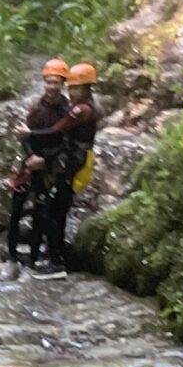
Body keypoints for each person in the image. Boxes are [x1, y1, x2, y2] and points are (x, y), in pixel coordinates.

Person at [6, 60, 71, 274]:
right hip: (29, 163)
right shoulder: (36, 107)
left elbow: (66, 142)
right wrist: (31, 157)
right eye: (49, 82)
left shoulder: (67, 111)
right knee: (16, 209)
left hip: (50, 168)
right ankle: (11, 255)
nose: (52, 86)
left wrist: (45, 160)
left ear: (63, 84)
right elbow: (25, 136)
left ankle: (34, 257)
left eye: (56, 82)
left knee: (41, 214)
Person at [40, 62, 102, 276]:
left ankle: (56, 262)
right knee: (59, 209)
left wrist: (29, 132)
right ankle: (54, 254)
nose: (72, 92)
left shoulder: (82, 110)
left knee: (52, 211)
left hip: (74, 165)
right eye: (71, 88)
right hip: (76, 162)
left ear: (86, 89)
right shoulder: (86, 107)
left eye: (76, 88)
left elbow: (57, 131)